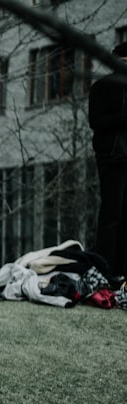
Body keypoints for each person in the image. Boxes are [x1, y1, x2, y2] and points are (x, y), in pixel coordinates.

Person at [88, 42, 127, 281]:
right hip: (113, 158)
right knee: (112, 215)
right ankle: (105, 269)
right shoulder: (103, 86)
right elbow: (97, 121)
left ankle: (122, 271)